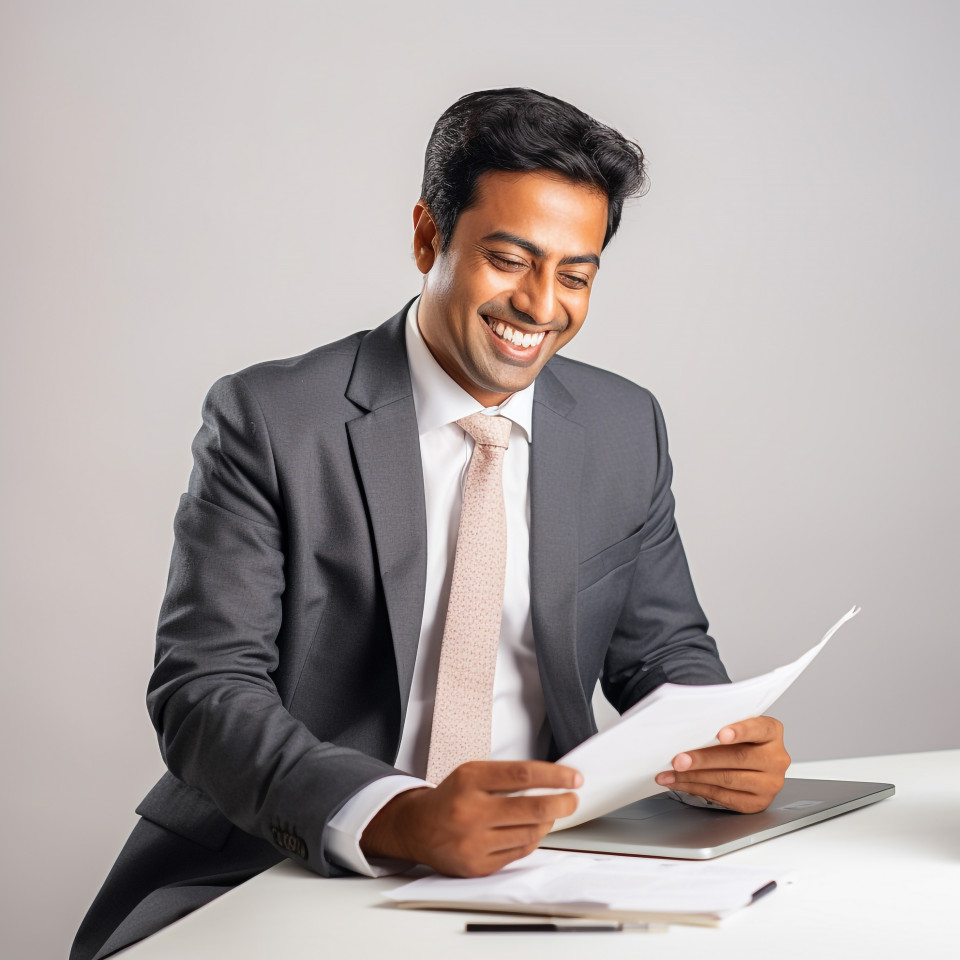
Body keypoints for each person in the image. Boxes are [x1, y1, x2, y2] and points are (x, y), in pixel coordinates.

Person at [71, 87, 789, 960]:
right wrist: (394, 813)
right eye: (510, 259)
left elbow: (664, 651)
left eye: (575, 274)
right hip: (287, 860)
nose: (540, 305)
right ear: (427, 238)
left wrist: (717, 744)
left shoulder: (622, 425)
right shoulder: (271, 418)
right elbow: (203, 690)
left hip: (546, 868)